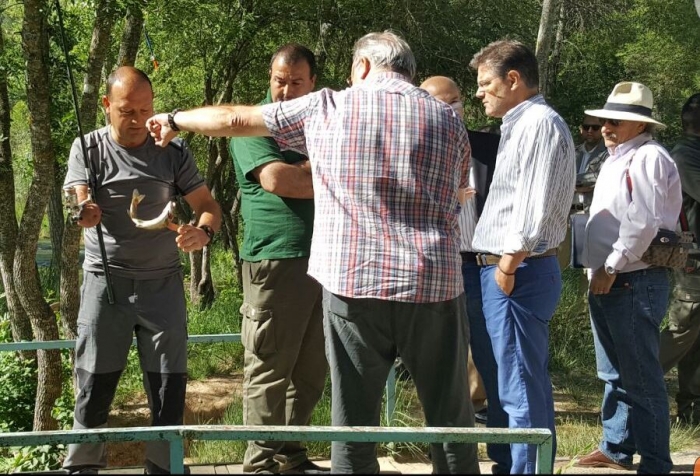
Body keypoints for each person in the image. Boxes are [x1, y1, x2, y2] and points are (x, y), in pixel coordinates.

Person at [147, 30, 480, 475]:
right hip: (434, 285)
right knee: (449, 417)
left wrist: (175, 118)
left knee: (354, 422)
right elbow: (460, 190)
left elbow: (235, 119)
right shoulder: (447, 118)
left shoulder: (330, 106)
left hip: (355, 286)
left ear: (362, 67)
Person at [62, 66, 221, 474]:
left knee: (168, 388)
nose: (136, 121)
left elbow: (208, 207)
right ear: (106, 106)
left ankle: (164, 467)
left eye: (145, 110)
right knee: (93, 385)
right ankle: (81, 466)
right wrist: (83, 212)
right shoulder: (87, 147)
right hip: (105, 283)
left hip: (162, 285)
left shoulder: (172, 149)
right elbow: (76, 198)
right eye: (126, 111)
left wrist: (202, 233)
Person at [469, 39, 575, 474]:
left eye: (485, 83)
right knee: (523, 385)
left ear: (513, 79)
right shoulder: (524, 122)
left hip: (516, 269)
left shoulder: (537, 124)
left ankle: (528, 471)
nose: (479, 93)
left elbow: (531, 208)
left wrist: (508, 265)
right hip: (515, 268)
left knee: (519, 389)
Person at [229, 44, 327, 474]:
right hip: (274, 262)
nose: (285, 91)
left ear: (313, 84)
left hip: (325, 259)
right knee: (269, 368)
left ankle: (292, 453)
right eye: (278, 80)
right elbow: (279, 180)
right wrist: (322, 170)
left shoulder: (321, 122)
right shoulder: (253, 125)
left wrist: (312, 166)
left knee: (310, 372)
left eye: (296, 82)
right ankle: (260, 463)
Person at [575, 82, 680, 473]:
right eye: (604, 120)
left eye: (615, 121)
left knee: (640, 377)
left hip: (632, 277)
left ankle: (654, 461)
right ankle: (617, 447)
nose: (605, 126)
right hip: (614, 275)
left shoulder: (649, 157)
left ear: (639, 125)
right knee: (615, 372)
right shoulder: (621, 156)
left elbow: (644, 221)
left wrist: (611, 266)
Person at [421, 75, 510, 471]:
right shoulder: (415, 151)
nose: (453, 108)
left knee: (493, 362)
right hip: (438, 267)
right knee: (442, 366)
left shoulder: (491, 146)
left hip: (486, 268)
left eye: (457, 100)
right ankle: (452, 457)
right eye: (443, 103)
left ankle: (504, 454)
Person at [658, 93, 700, 426]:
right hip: (694, 261)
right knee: (682, 331)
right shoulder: (685, 157)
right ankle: (630, 384)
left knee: (695, 341)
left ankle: (692, 412)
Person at [559, 114, 609, 270]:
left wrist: (570, 181)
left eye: (595, 127)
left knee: (588, 264)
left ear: (602, 130)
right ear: (581, 129)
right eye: (586, 127)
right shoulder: (572, 152)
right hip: (567, 213)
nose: (590, 131)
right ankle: (563, 293)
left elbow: (596, 179)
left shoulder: (609, 154)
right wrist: (577, 183)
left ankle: (585, 294)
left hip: (592, 213)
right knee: (561, 258)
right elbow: (558, 177)